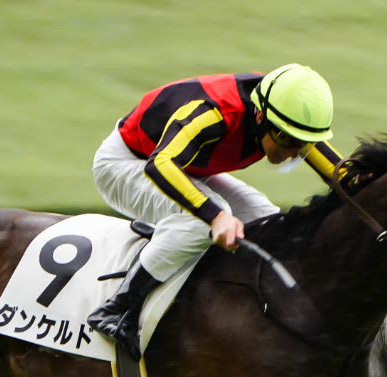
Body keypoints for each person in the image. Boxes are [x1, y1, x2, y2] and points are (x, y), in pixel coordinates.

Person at [88, 64, 344, 355]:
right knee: (206, 219)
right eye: (287, 139)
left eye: (304, 143)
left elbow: (342, 175)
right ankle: (118, 309)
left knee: (268, 220)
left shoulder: (280, 114)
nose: (293, 152)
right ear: (260, 116)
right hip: (125, 164)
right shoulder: (214, 114)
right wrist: (216, 216)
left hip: (189, 166)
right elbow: (160, 164)